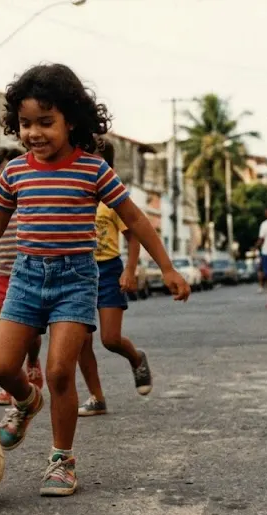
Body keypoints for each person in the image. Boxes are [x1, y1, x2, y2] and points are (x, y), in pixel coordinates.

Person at [0, 63, 191, 497]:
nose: (34, 133)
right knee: (1, 366)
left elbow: (135, 218)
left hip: (75, 279)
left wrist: (167, 267)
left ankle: (61, 459)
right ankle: (26, 401)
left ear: (71, 120)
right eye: (25, 123)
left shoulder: (93, 170)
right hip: (25, 276)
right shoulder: (15, 172)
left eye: (46, 122)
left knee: (60, 371)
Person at [76, 140, 153, 418]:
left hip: (109, 269)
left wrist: (129, 270)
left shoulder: (112, 198)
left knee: (110, 339)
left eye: (94, 160)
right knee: (81, 341)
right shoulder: (75, 194)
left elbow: (133, 236)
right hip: (79, 270)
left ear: (107, 166)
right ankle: (97, 397)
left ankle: (136, 358)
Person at [0, 147, 44, 405]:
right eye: (4, 172)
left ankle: (32, 361)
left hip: (28, 276)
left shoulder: (30, 206)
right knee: (0, 329)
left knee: (31, 334)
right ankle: (10, 384)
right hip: (0, 277)